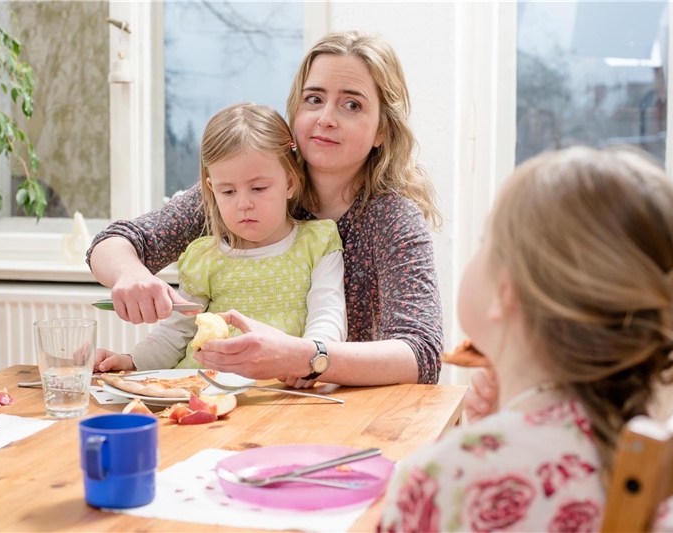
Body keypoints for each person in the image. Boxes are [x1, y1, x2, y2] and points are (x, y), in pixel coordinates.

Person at [87, 31, 444, 387]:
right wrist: (129, 274)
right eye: (314, 99)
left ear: (382, 129)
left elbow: (421, 354)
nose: (326, 118)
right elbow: (114, 242)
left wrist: (309, 358)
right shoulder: (246, 185)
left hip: (340, 413)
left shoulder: (393, 219)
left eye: (352, 105)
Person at [378, 146, 673, 532]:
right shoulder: (649, 452)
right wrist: (495, 427)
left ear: (503, 292)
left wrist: (485, 443)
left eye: (483, 241)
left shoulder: (441, 478)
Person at [94, 103, 347, 372]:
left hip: (283, 388)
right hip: (204, 386)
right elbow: (174, 335)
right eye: (228, 192)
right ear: (212, 189)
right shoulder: (205, 257)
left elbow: (328, 316)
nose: (244, 204)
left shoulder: (318, 244)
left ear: (289, 183)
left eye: (258, 188)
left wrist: (308, 365)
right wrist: (131, 362)